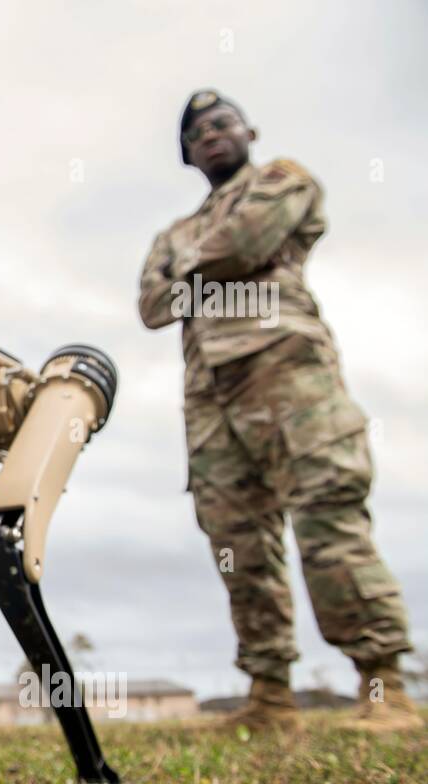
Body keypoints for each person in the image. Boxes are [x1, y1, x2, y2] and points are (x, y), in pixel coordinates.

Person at [138, 90, 419, 733]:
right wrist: (204, 268)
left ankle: (384, 685)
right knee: (238, 540)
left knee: (327, 513)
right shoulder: (171, 232)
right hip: (209, 397)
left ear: (249, 130)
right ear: (185, 154)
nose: (210, 134)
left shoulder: (282, 179)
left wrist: (191, 273)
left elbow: (244, 242)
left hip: (286, 371)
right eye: (196, 133)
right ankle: (270, 695)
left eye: (221, 123)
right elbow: (152, 307)